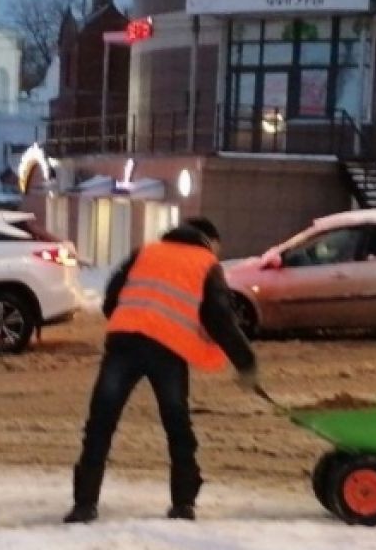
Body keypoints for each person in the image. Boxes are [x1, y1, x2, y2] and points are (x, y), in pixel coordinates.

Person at [63, 216, 257, 524]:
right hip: (167, 350)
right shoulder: (206, 263)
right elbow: (220, 317)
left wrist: (129, 319)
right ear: (209, 240)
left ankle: (84, 505)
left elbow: (111, 297)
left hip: (124, 343)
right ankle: (183, 504)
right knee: (177, 424)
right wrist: (246, 363)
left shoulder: (146, 252)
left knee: (100, 423)